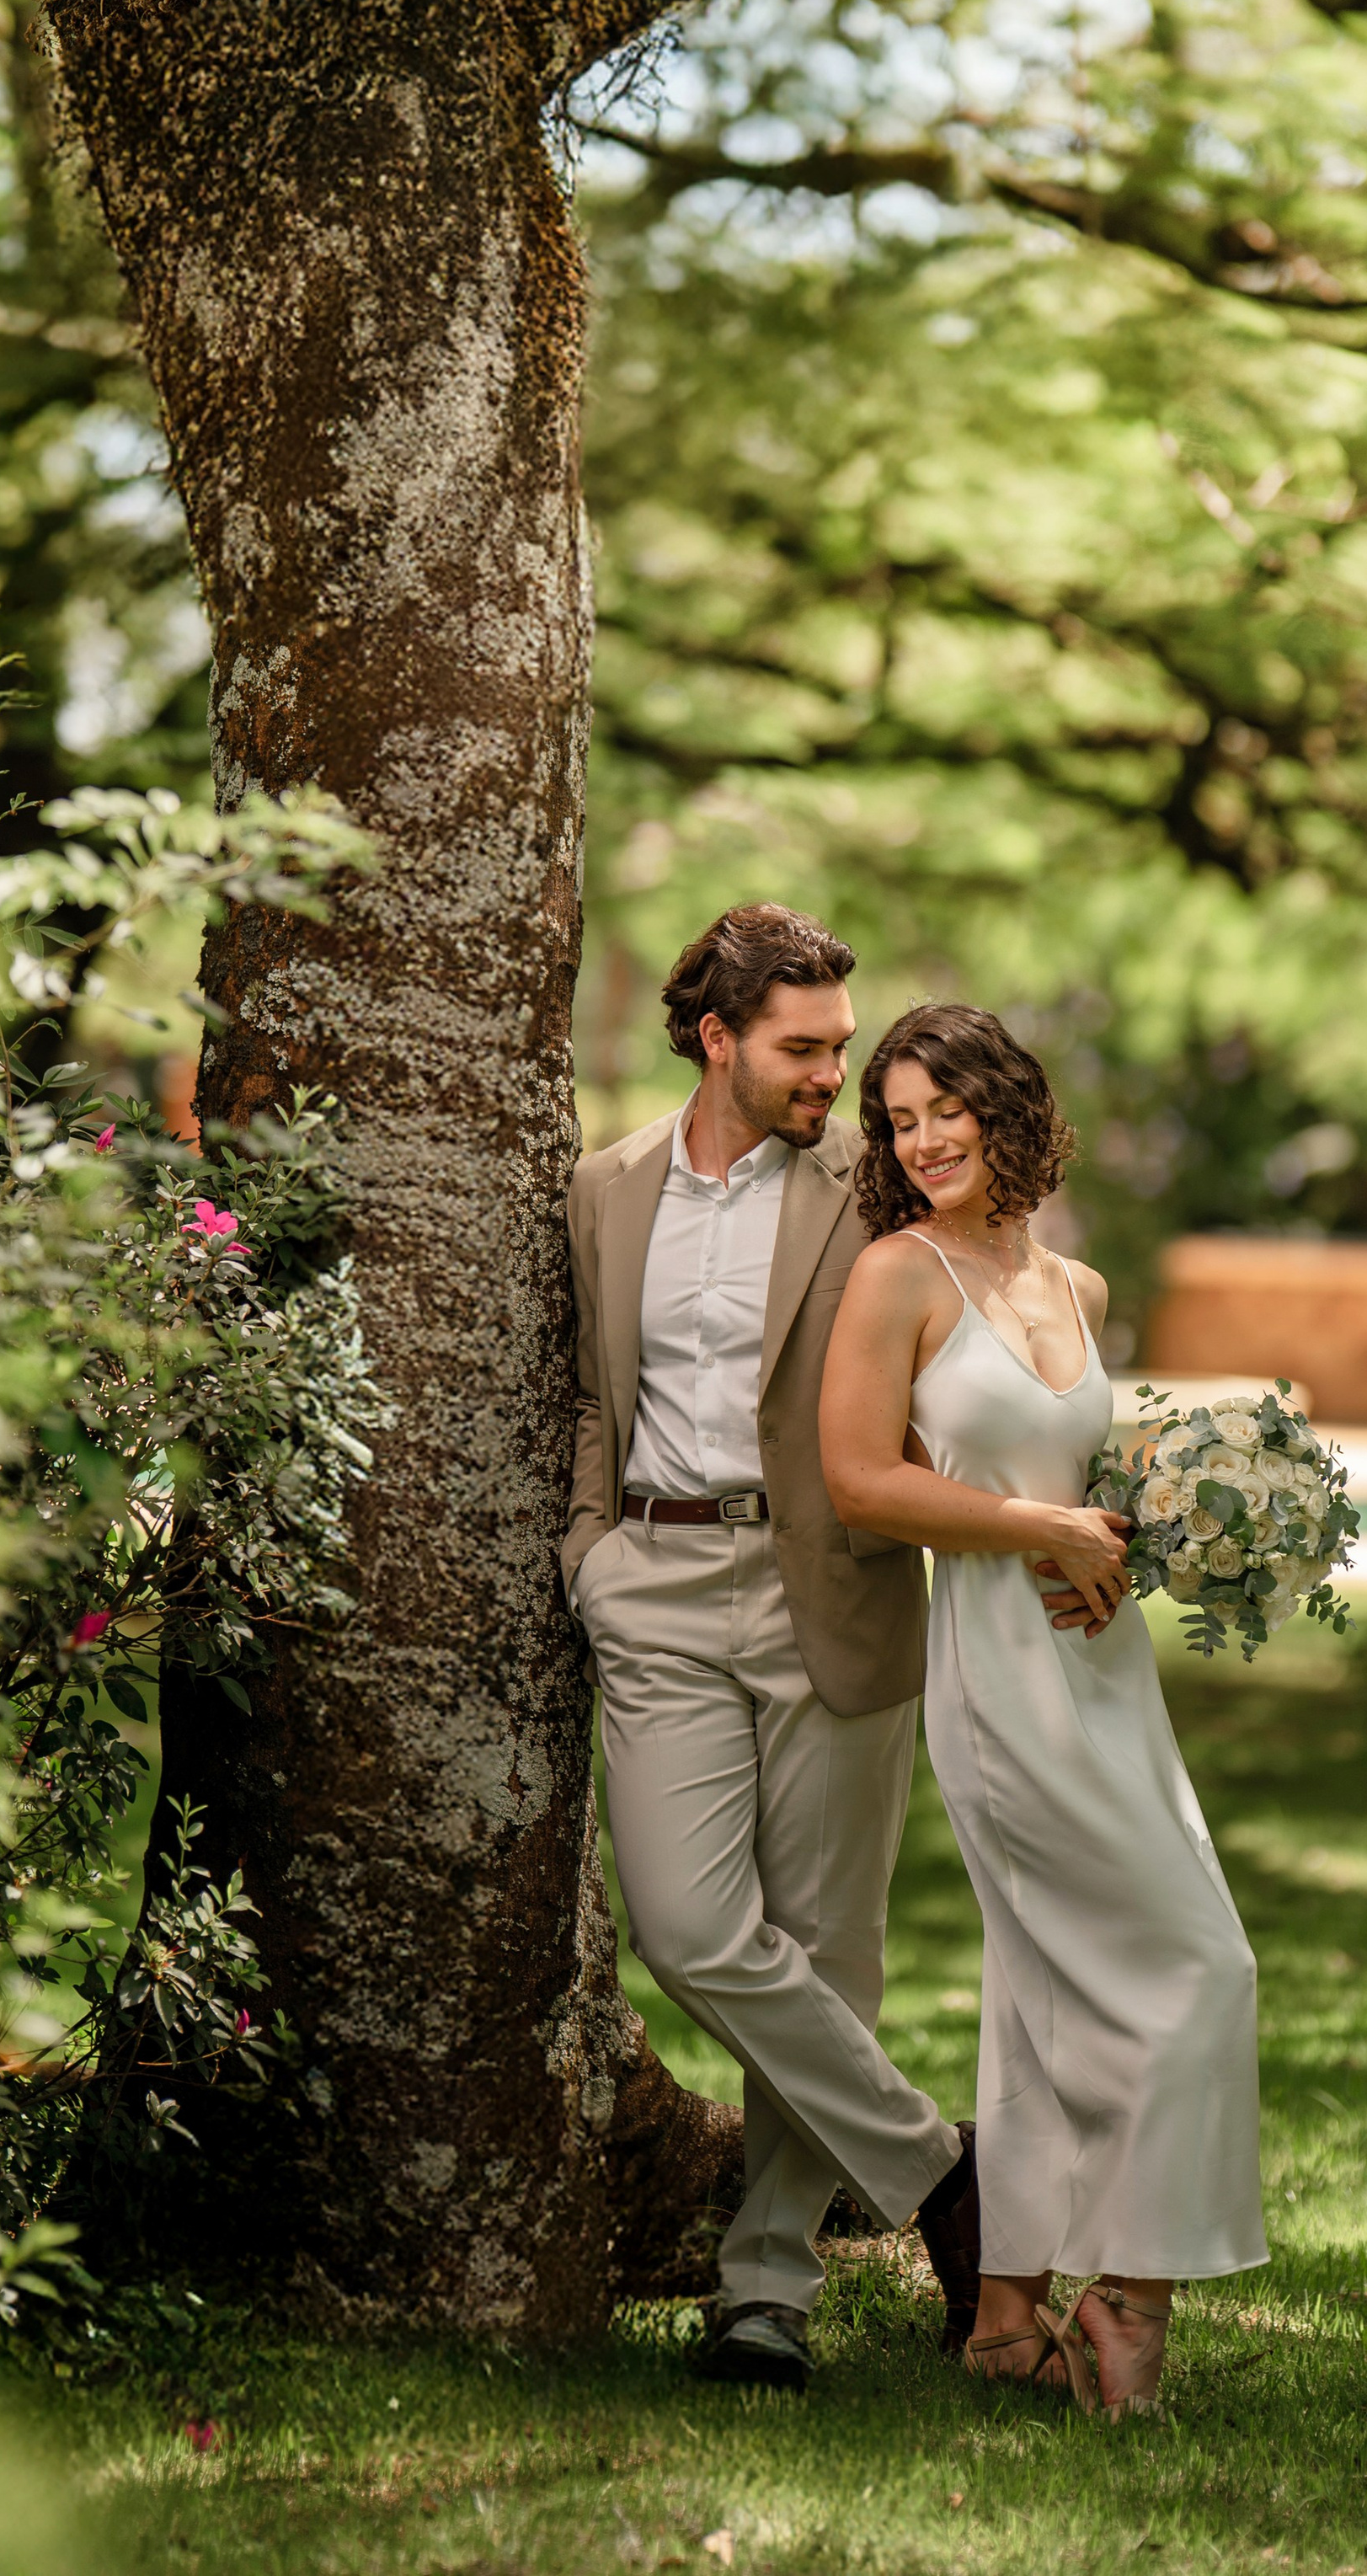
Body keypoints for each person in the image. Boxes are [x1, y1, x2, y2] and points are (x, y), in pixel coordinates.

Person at [819, 1002, 1266, 2422]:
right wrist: (1037, 1530)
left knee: (1042, 1985)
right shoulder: (899, 1273)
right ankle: (1129, 2292)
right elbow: (862, 1483)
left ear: (1009, 1108)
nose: (924, 1137)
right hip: (1000, 1673)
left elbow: (1100, 1496)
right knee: (1203, 1967)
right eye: (898, 1119)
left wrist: (1125, 1552)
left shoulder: (1080, 1286)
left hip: (1103, 1666)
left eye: (945, 1106)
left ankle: (1007, 2311)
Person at [565, 905, 980, 2392]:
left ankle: (765, 2295)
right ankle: (946, 2177)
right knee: (688, 1930)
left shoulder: (875, 1205)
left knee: (827, 1949)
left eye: (841, 1050)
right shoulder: (603, 1189)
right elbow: (581, 1388)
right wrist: (591, 1550)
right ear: (715, 1038)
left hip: (837, 1591)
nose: (833, 1076)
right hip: (657, 1582)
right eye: (803, 1050)